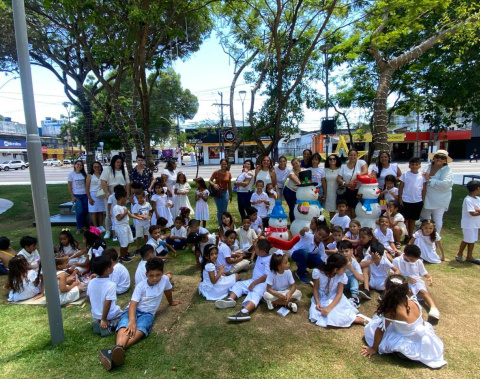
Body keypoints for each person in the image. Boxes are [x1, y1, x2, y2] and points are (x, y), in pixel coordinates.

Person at [99, 258, 180, 371]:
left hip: (148, 314)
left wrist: (171, 302)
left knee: (141, 330)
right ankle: (117, 352)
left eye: (158, 275)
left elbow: (167, 291)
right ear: (146, 274)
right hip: (133, 310)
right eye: (151, 275)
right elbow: (133, 305)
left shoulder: (165, 280)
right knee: (126, 325)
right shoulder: (141, 286)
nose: (155, 278)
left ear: (162, 273)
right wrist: (132, 321)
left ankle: (115, 351)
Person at [361, 275, 447, 369]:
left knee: (370, 331)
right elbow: (422, 320)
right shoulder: (413, 301)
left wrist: (374, 348)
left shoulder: (392, 310)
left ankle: (404, 354)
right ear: (407, 290)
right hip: (419, 335)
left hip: (407, 339)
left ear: (387, 291)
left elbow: (380, 330)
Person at [215, 239, 273, 322]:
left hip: (263, 283)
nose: (254, 250)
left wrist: (254, 283)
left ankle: (245, 312)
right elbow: (256, 244)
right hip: (254, 280)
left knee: (255, 293)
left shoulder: (269, 259)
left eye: (256, 248)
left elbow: (266, 275)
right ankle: (230, 300)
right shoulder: (261, 255)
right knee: (238, 285)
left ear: (261, 251)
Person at [308, 253, 368, 328]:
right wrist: (317, 303)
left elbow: (339, 294)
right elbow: (315, 289)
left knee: (335, 314)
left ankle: (356, 319)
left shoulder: (341, 276)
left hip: (335, 297)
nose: (345, 270)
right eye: (344, 268)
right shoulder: (318, 272)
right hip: (320, 297)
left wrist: (328, 308)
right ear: (336, 269)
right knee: (317, 314)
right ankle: (354, 318)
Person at [392, 245, 440, 320]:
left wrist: (429, 277)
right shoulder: (396, 261)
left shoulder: (418, 261)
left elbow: (424, 272)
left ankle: (433, 308)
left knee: (422, 291)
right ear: (405, 255)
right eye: (411, 259)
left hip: (416, 281)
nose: (414, 261)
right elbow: (393, 275)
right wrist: (406, 278)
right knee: (407, 294)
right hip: (403, 281)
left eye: (415, 260)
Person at [87, 255, 122, 337]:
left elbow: (88, 298)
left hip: (96, 314)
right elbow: (107, 303)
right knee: (125, 315)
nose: (113, 266)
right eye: (112, 265)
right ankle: (109, 325)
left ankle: (98, 322)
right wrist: (104, 319)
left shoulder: (91, 282)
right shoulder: (111, 285)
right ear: (108, 270)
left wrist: (96, 307)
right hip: (107, 315)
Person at [420, 150, 453, 234]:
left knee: (438, 218)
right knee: (425, 217)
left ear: (445, 160)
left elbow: (446, 184)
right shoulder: (427, 167)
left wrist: (430, 179)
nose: (439, 159)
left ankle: (435, 237)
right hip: (426, 196)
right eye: (437, 157)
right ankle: (425, 235)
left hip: (440, 198)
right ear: (434, 157)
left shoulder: (447, 170)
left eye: (442, 158)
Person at [100, 155, 131, 239]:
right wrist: (106, 192)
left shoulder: (124, 170)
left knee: (121, 211)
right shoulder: (108, 170)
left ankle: (120, 229)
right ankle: (108, 230)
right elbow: (103, 181)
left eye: (120, 162)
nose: (119, 164)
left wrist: (127, 193)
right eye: (117, 162)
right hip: (111, 192)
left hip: (121, 193)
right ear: (113, 162)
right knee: (109, 212)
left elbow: (127, 183)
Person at [398, 157, 426, 241]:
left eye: (416, 164)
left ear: (419, 165)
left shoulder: (422, 175)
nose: (414, 166)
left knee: (413, 220)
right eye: (412, 164)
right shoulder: (405, 174)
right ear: (409, 165)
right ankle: (406, 236)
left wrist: (423, 200)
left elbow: (424, 189)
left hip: (417, 201)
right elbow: (401, 186)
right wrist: (400, 198)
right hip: (406, 200)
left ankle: (410, 235)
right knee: (406, 219)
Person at [113, 188, 144, 263]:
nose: (126, 200)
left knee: (129, 240)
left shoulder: (124, 207)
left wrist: (138, 217)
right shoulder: (116, 208)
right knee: (124, 242)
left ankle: (126, 253)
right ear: (121, 198)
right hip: (121, 227)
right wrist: (125, 213)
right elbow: (118, 218)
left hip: (126, 226)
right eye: (125, 198)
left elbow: (130, 215)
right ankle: (121, 256)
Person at [337, 149, 368, 219]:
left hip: (358, 190)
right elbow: (339, 179)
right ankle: (349, 225)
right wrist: (346, 184)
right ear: (348, 156)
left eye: (354, 155)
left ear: (357, 156)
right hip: (347, 191)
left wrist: (354, 179)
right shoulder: (344, 166)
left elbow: (365, 171)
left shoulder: (361, 162)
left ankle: (356, 225)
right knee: (348, 209)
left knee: (357, 209)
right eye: (351, 155)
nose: (352, 157)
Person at [456, 180, 480, 264]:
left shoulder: (478, 199)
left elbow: (477, 210)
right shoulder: (468, 200)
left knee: (472, 240)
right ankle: (459, 254)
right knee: (467, 239)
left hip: (475, 224)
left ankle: (469, 256)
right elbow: (473, 213)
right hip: (468, 224)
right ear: (477, 189)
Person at [337, 240, 363, 309]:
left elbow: (362, 279)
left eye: (346, 251)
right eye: (342, 252)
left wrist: (350, 268)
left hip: (348, 285)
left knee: (353, 277)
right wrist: (344, 266)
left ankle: (355, 297)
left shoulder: (354, 263)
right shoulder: (337, 261)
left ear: (351, 251)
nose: (344, 254)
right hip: (338, 285)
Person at [68, 160, 89, 234]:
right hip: (77, 195)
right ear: (75, 165)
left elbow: (87, 185)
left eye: (81, 165)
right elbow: (69, 186)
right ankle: (79, 227)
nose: (79, 166)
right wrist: (72, 196)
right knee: (79, 211)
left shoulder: (84, 174)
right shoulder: (71, 175)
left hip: (85, 195)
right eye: (78, 164)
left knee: (85, 211)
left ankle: (85, 226)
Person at [209, 158, 233, 225]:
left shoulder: (228, 173)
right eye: (222, 164)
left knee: (224, 209)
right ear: (220, 164)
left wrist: (231, 195)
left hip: (225, 193)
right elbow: (210, 180)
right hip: (217, 193)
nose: (223, 165)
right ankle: (220, 225)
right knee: (219, 210)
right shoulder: (216, 172)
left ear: (227, 165)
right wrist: (214, 184)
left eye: (225, 164)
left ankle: (225, 223)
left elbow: (229, 185)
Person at [86, 161, 106, 231]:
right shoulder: (90, 175)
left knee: (101, 211)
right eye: (95, 167)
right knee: (94, 211)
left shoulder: (102, 174)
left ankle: (101, 225)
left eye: (98, 167)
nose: (97, 168)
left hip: (101, 195)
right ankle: (95, 226)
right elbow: (87, 188)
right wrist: (89, 198)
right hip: (93, 195)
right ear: (92, 168)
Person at [283, 158, 303, 222]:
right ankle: (293, 222)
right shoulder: (291, 172)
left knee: (299, 207)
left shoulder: (304, 171)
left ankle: (299, 221)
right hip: (289, 191)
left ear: (300, 163)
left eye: (296, 163)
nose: (295, 165)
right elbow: (293, 178)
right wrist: (301, 184)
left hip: (298, 192)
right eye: (293, 164)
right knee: (292, 207)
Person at [324, 154, 342, 219]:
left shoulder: (340, 169)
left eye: (334, 159)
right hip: (329, 192)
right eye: (330, 159)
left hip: (338, 192)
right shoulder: (325, 170)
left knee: (341, 210)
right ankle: (332, 226)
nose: (332, 160)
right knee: (331, 210)